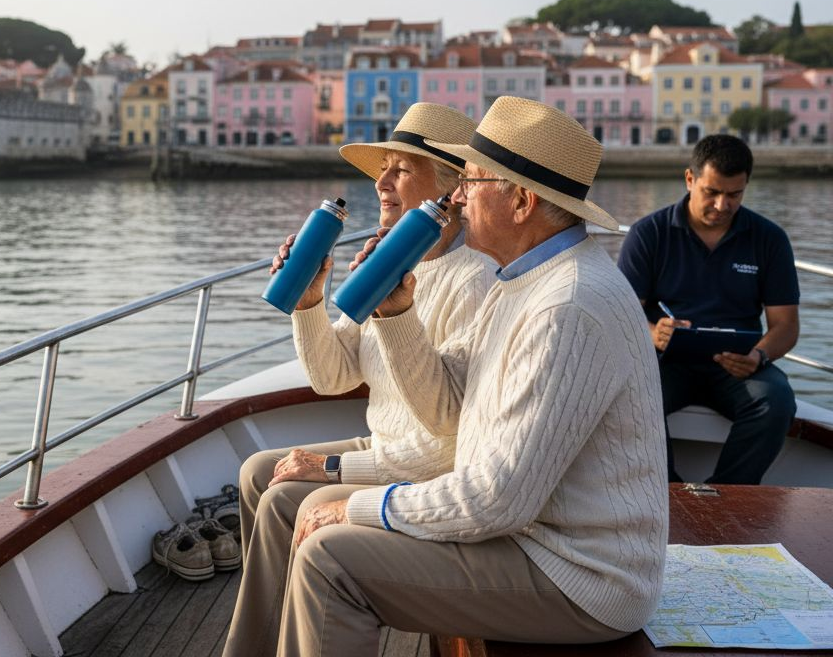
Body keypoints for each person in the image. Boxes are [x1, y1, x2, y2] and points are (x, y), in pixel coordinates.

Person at [273, 97, 668, 656]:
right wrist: (395, 313)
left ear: (522, 201)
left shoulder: (566, 307)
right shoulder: (522, 281)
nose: (457, 197)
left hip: (581, 576)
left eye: (472, 181)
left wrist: (354, 506)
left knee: (328, 556)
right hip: (530, 540)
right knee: (321, 532)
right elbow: (449, 409)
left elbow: (497, 498)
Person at [223, 103, 496, 657]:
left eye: (401, 169)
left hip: (430, 469)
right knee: (256, 471)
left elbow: (450, 442)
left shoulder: (474, 281)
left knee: (283, 498)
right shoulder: (394, 263)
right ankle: (271, 636)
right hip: (388, 448)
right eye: (382, 169)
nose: (381, 182)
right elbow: (333, 378)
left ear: (450, 191)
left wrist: (330, 468)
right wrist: (309, 301)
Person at [617, 135, 799, 484]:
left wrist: (758, 356)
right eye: (711, 192)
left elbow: (786, 325)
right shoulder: (648, 234)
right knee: (629, 395)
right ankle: (666, 492)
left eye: (734, 195)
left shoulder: (770, 239)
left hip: (737, 366)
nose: (722, 204)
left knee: (776, 401)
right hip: (665, 362)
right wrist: (654, 333)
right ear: (690, 179)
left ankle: (726, 496)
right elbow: (622, 315)